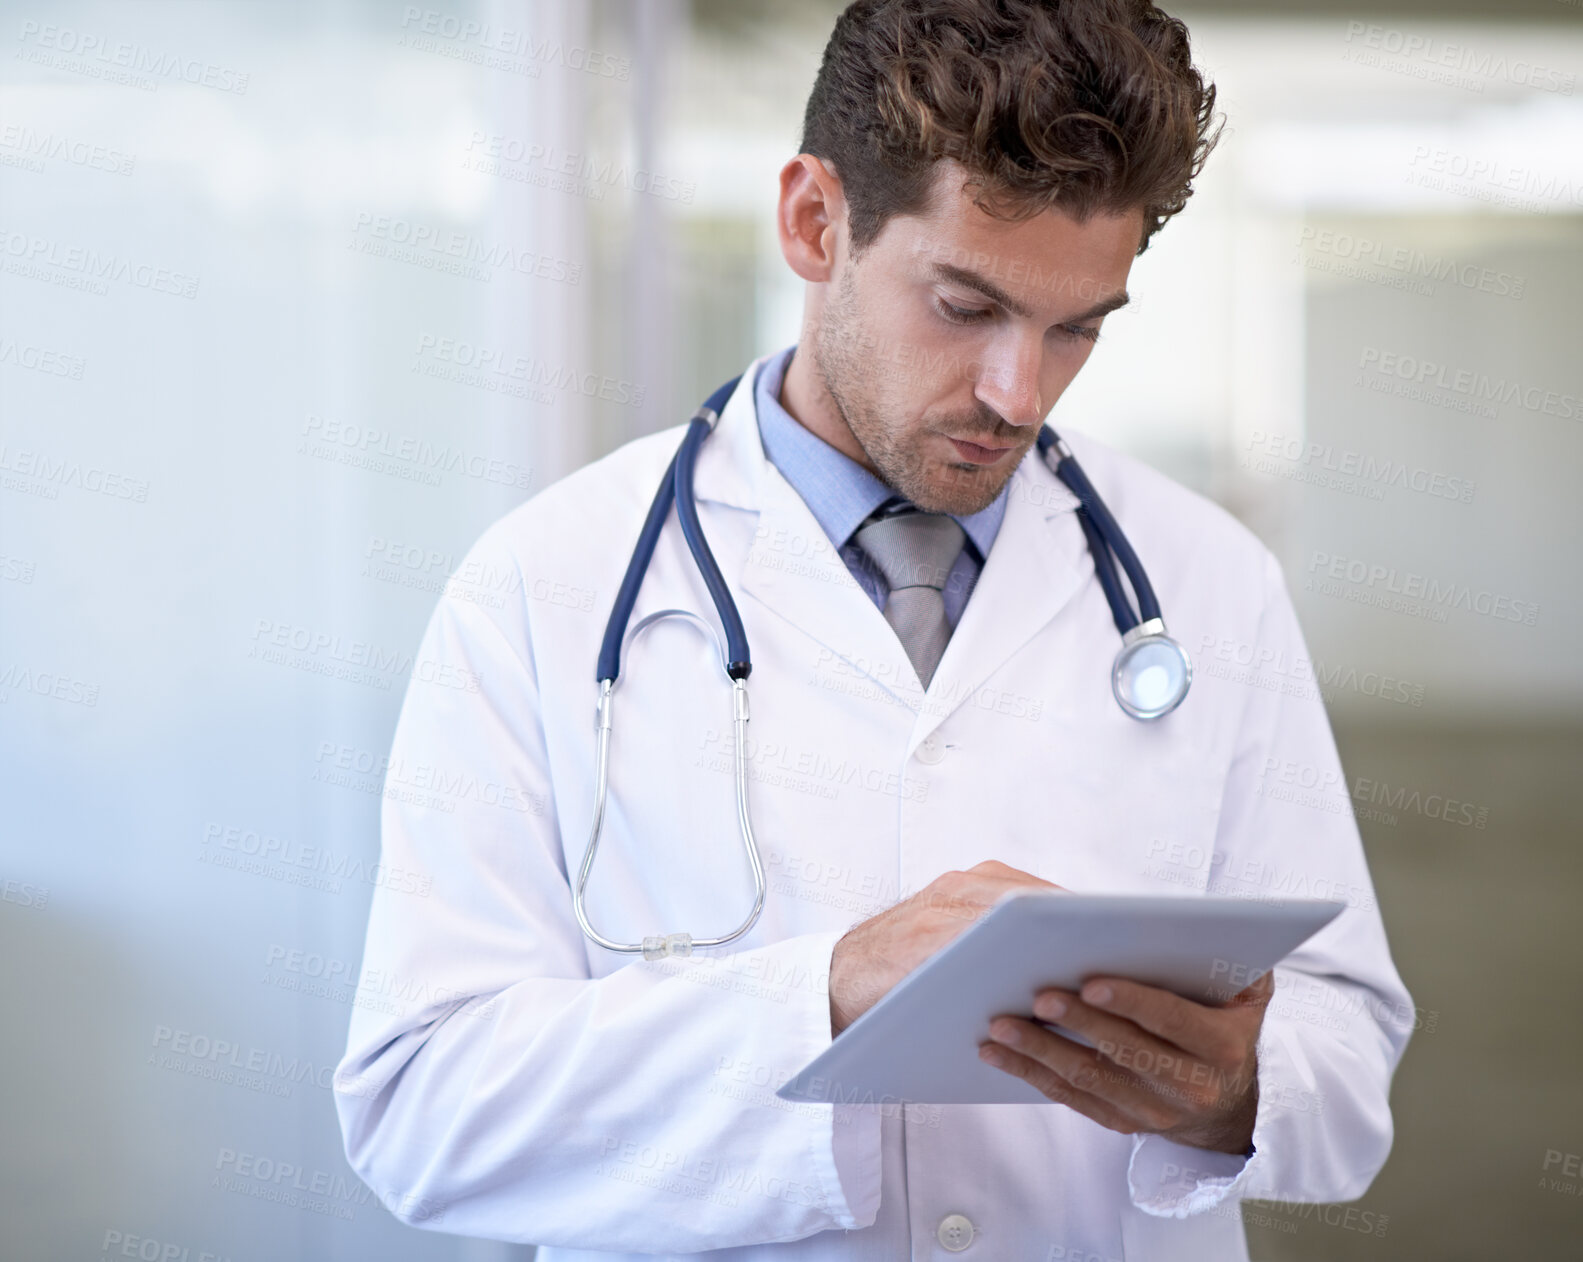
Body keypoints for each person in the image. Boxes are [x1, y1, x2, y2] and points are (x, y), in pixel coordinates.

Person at [335, 1, 1413, 1257]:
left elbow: (1344, 1054)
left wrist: (1234, 1091)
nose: (1018, 393)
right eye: (965, 305)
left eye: (1076, 327)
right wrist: (825, 992)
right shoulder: (539, 586)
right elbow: (421, 1110)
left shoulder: (1207, 582)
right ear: (812, 220)